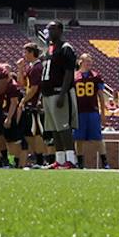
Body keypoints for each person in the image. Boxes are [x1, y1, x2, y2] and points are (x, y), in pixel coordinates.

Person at [40, 22, 80, 168]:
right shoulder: (50, 49)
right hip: (48, 93)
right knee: (54, 128)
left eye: (52, 28)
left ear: (60, 30)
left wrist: (63, 93)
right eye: (48, 28)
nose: (49, 31)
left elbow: (69, 72)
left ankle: (70, 159)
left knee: (64, 127)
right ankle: (60, 159)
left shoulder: (65, 48)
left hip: (59, 92)